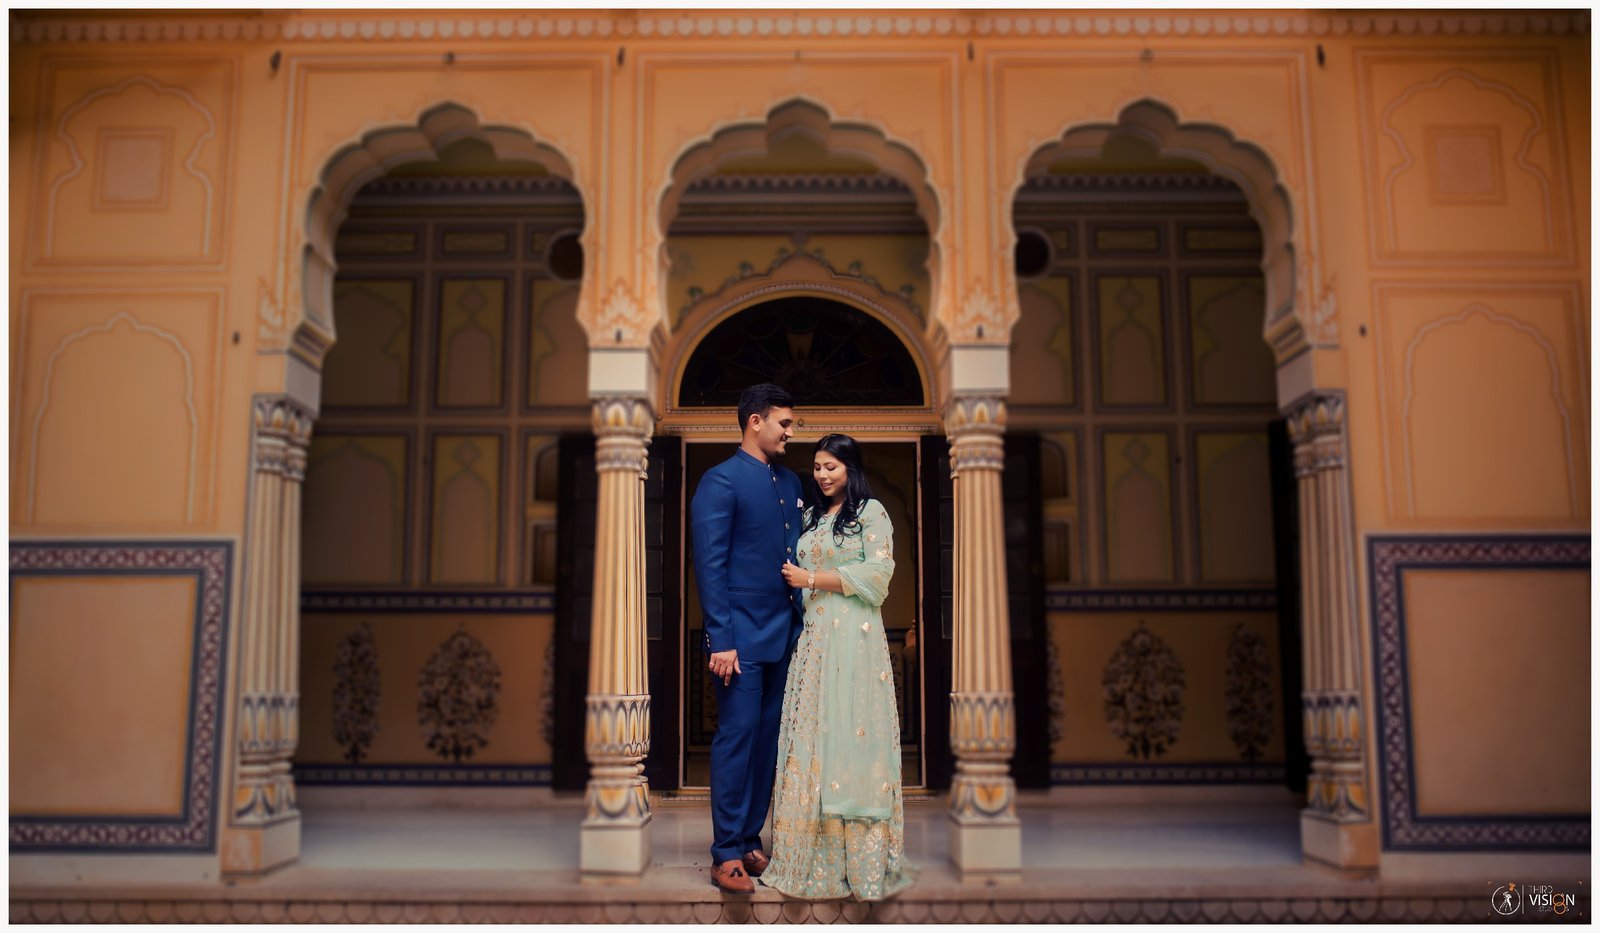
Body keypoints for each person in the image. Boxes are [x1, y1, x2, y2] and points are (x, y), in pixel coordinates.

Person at [767, 433, 914, 901]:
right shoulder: (811, 517)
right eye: (817, 467)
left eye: (831, 466)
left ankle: (863, 864)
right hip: (814, 641)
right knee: (812, 735)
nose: (823, 475)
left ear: (850, 468)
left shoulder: (870, 513)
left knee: (851, 734)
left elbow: (877, 576)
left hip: (854, 639)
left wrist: (811, 578)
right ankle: (807, 859)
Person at [690, 383, 803, 895]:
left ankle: (749, 837)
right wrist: (720, 639)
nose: (790, 433)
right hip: (738, 639)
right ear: (755, 422)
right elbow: (710, 566)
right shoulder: (720, 481)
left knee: (767, 741)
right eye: (784, 423)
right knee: (736, 739)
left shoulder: (792, 479)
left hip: (785, 636)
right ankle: (725, 852)